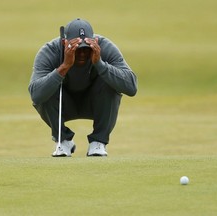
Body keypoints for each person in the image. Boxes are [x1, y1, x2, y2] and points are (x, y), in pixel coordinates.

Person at [28, 18, 137, 157]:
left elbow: (131, 87)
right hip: (64, 103)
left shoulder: (105, 47)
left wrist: (100, 64)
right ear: (64, 42)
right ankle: (64, 140)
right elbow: (35, 95)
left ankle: (98, 142)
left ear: (95, 42)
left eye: (86, 48)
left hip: (96, 101)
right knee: (46, 87)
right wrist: (64, 67)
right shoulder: (50, 51)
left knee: (110, 79)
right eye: (76, 48)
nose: (82, 53)